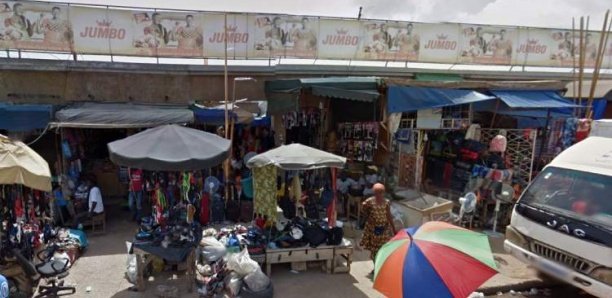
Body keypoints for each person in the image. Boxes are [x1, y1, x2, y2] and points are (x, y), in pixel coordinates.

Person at [360, 183, 396, 276]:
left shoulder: (387, 202)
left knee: (383, 249)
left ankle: (380, 267)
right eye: (377, 192)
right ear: (374, 192)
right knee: (374, 250)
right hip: (373, 230)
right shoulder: (369, 202)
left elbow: (389, 216)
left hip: (384, 229)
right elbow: (363, 209)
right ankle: (376, 267)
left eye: (381, 192)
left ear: (383, 193)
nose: (379, 194)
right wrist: (368, 217)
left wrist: (393, 228)